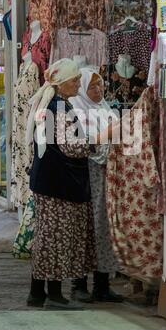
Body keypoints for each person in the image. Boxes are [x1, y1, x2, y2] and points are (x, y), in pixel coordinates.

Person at [26, 59, 98, 310]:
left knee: (49, 236)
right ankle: (46, 294)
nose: (79, 82)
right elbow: (70, 146)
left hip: (49, 181)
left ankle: (42, 293)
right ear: (63, 82)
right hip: (58, 184)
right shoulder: (59, 108)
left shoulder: (51, 104)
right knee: (54, 237)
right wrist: (96, 140)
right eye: (75, 79)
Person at [69, 68, 123, 303]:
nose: (98, 90)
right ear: (82, 89)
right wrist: (109, 134)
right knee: (86, 230)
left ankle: (103, 284)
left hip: (107, 179)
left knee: (105, 229)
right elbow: (84, 146)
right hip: (86, 179)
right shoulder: (75, 111)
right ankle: (79, 285)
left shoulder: (104, 109)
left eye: (100, 85)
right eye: (92, 86)